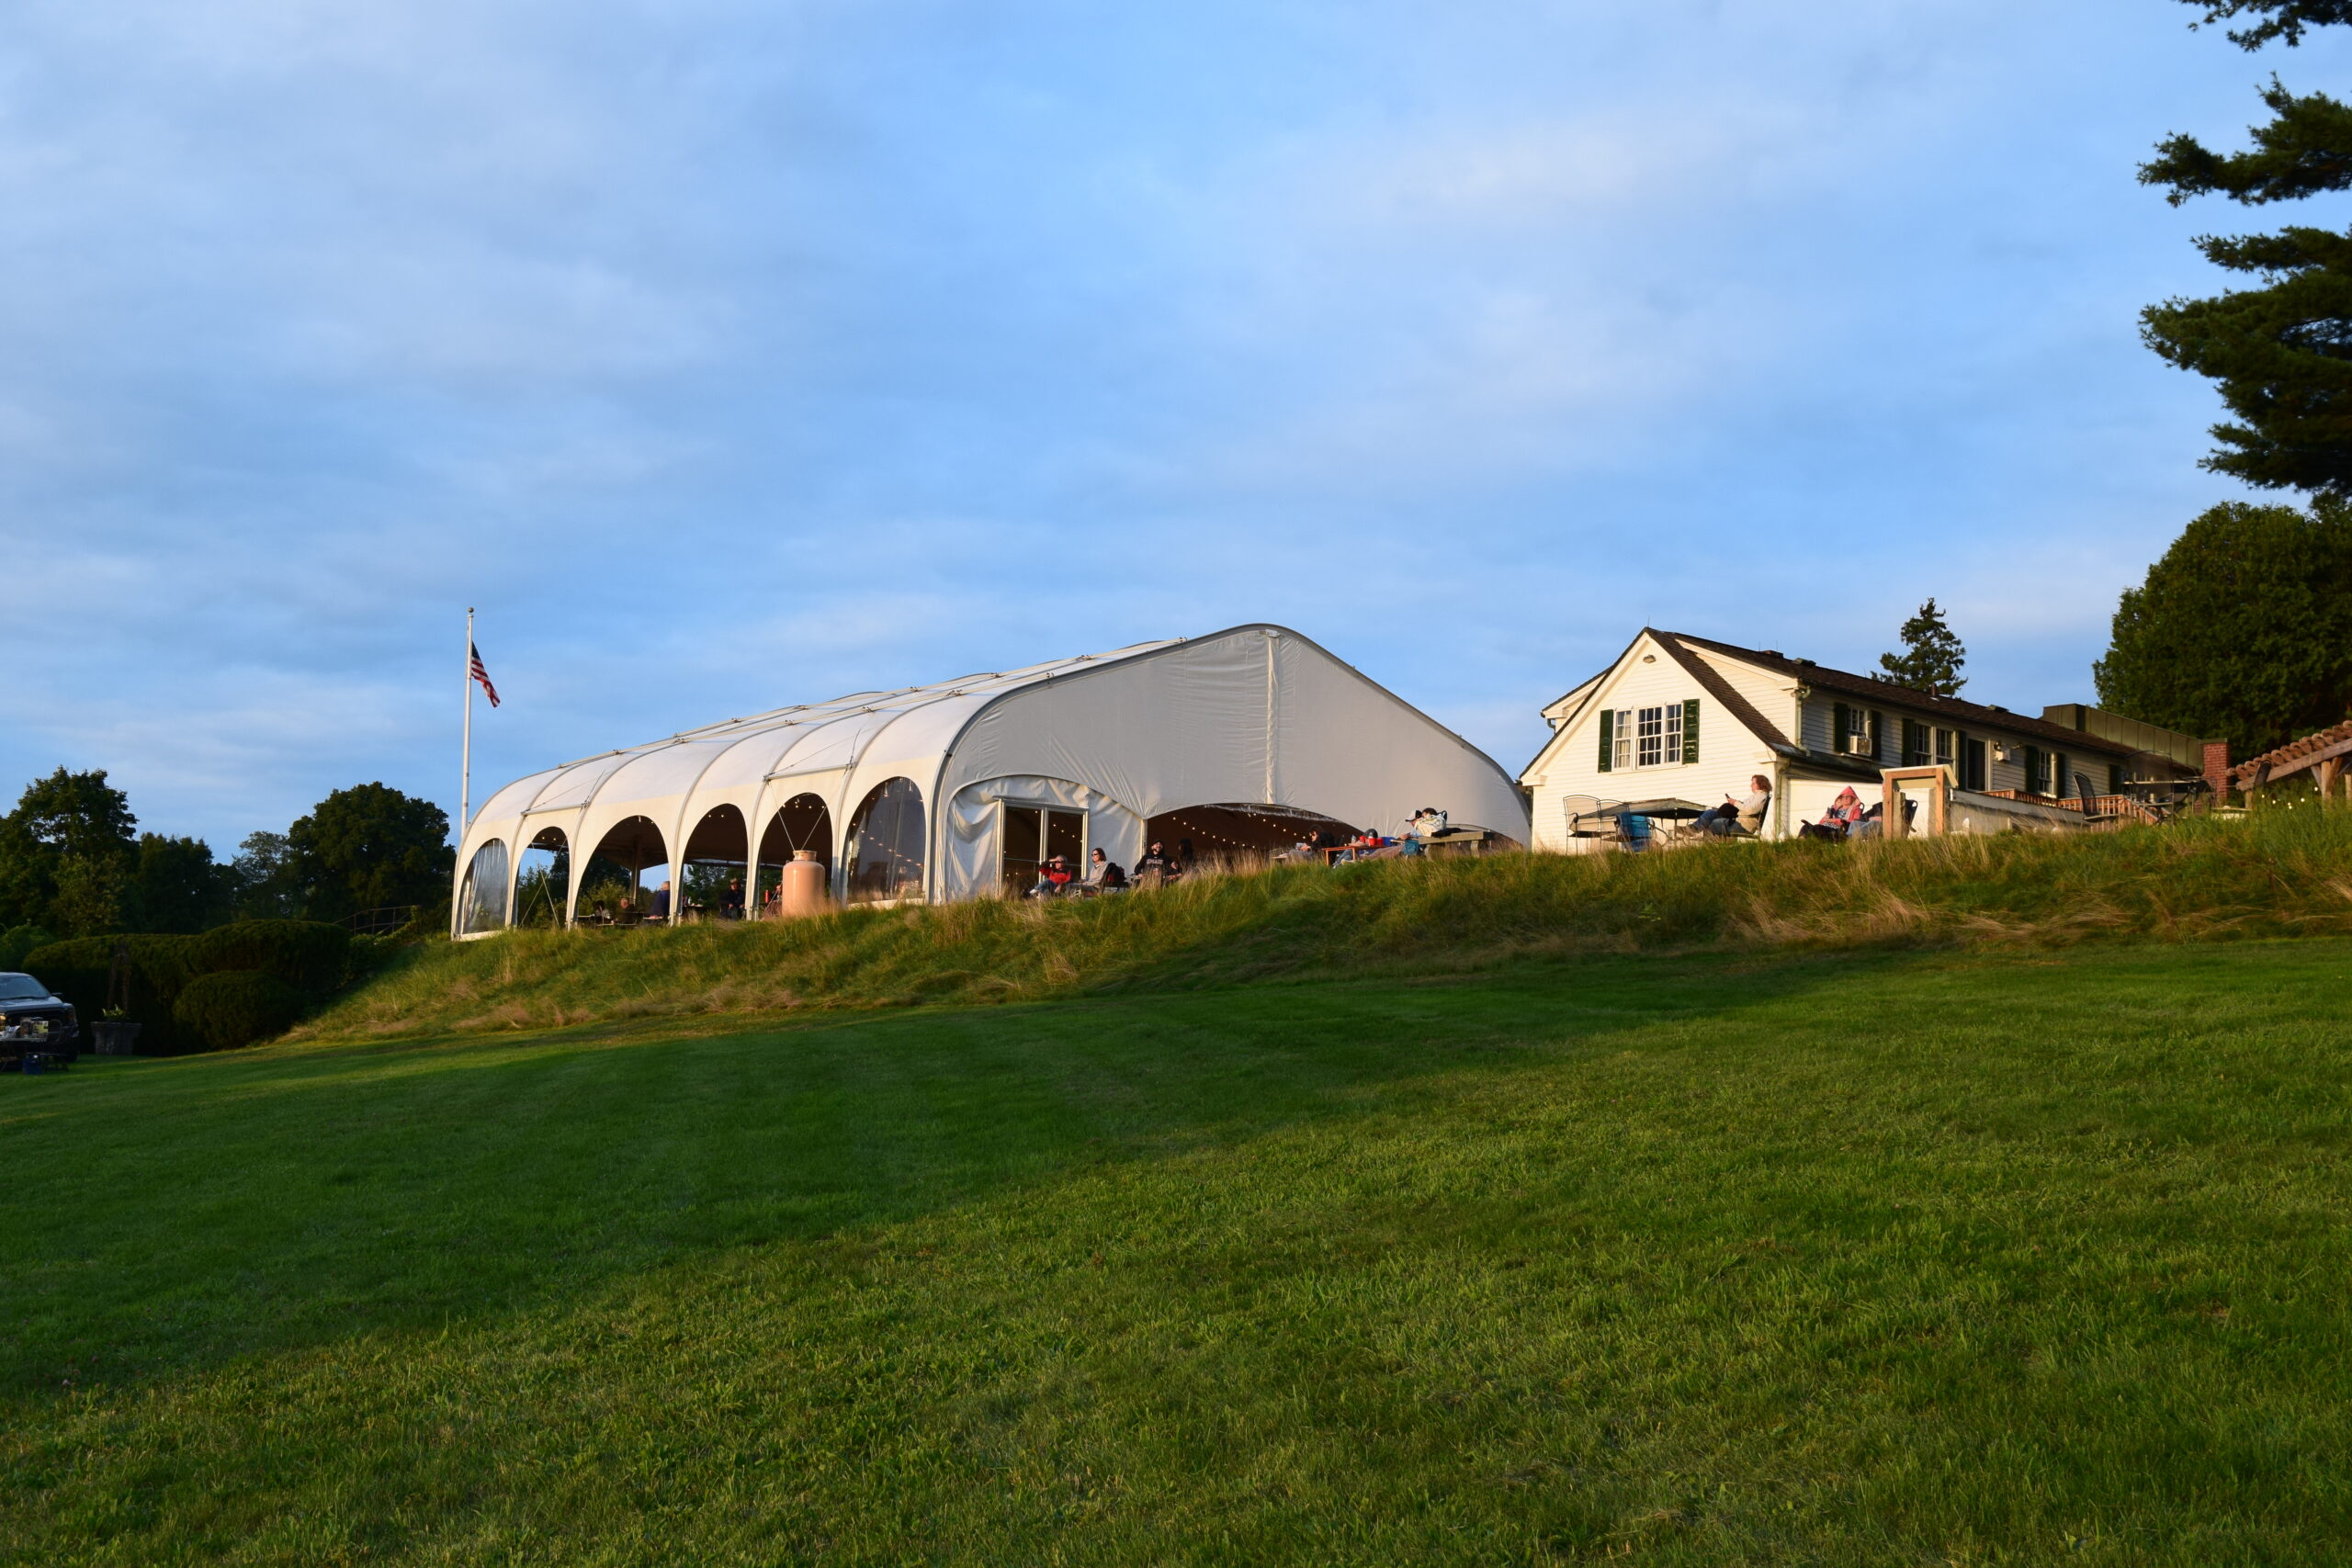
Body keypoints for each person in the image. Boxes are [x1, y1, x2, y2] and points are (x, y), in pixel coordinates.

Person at [1694, 775, 1773, 837]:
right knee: (1711, 813)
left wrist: (1735, 803)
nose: (1751, 785)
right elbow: (1744, 806)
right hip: (1740, 822)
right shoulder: (1756, 796)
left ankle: (1694, 832)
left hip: (1743, 826)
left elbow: (1750, 810)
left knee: (1712, 823)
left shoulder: (1761, 797)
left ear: (1761, 784)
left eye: (1753, 783)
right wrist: (1734, 803)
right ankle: (1692, 829)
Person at [1799, 787, 1864, 841]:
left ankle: (1808, 838)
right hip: (1825, 826)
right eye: (1843, 797)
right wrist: (1825, 818)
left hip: (1838, 829)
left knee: (1817, 828)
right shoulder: (1834, 808)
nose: (1845, 798)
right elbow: (1821, 822)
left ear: (1852, 798)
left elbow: (1855, 823)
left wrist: (1836, 821)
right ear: (1840, 799)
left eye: (1848, 797)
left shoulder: (1856, 809)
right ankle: (1801, 840)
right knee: (1806, 826)